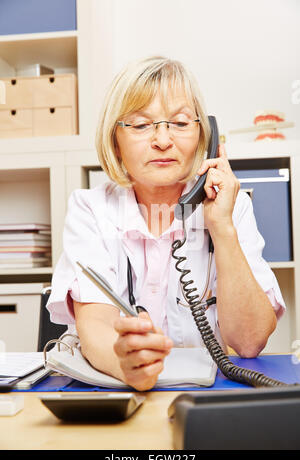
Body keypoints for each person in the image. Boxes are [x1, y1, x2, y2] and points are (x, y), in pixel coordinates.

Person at [47, 56, 285, 391]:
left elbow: (249, 342)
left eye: (181, 123)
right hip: (117, 392)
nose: (162, 140)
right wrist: (127, 366)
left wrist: (223, 228)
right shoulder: (90, 209)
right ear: (114, 139)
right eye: (142, 125)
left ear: (206, 135)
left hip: (207, 399)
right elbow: (96, 325)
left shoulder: (233, 208)